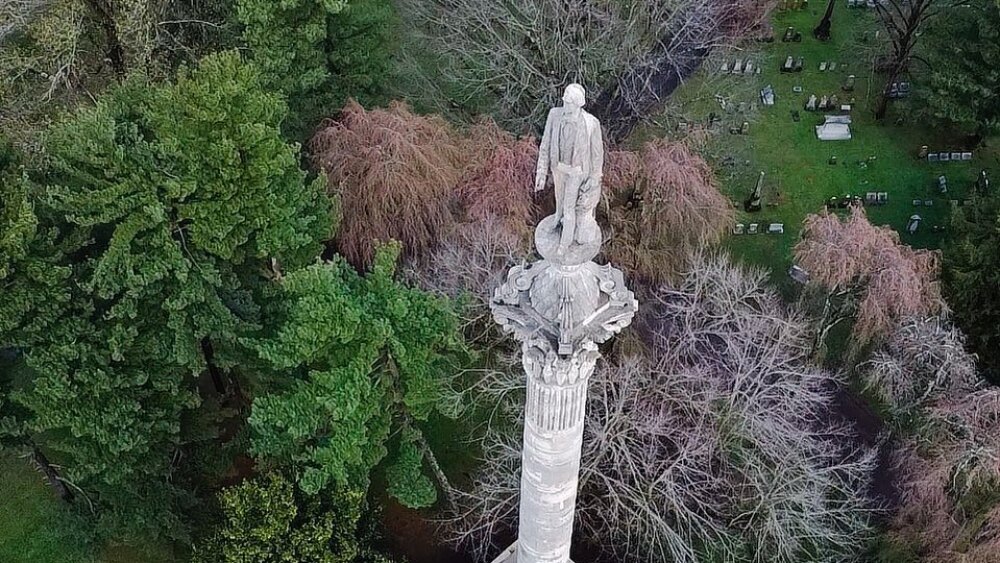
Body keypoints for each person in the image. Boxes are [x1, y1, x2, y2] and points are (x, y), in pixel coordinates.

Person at [534, 83, 604, 255]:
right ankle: (558, 218)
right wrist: (541, 173)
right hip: (559, 169)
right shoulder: (554, 115)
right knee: (559, 200)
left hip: (577, 172)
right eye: (565, 101)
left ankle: (564, 244)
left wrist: (595, 177)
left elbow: (597, 154)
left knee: (569, 207)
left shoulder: (591, 124)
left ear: (578, 104)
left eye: (570, 103)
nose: (566, 106)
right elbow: (545, 145)